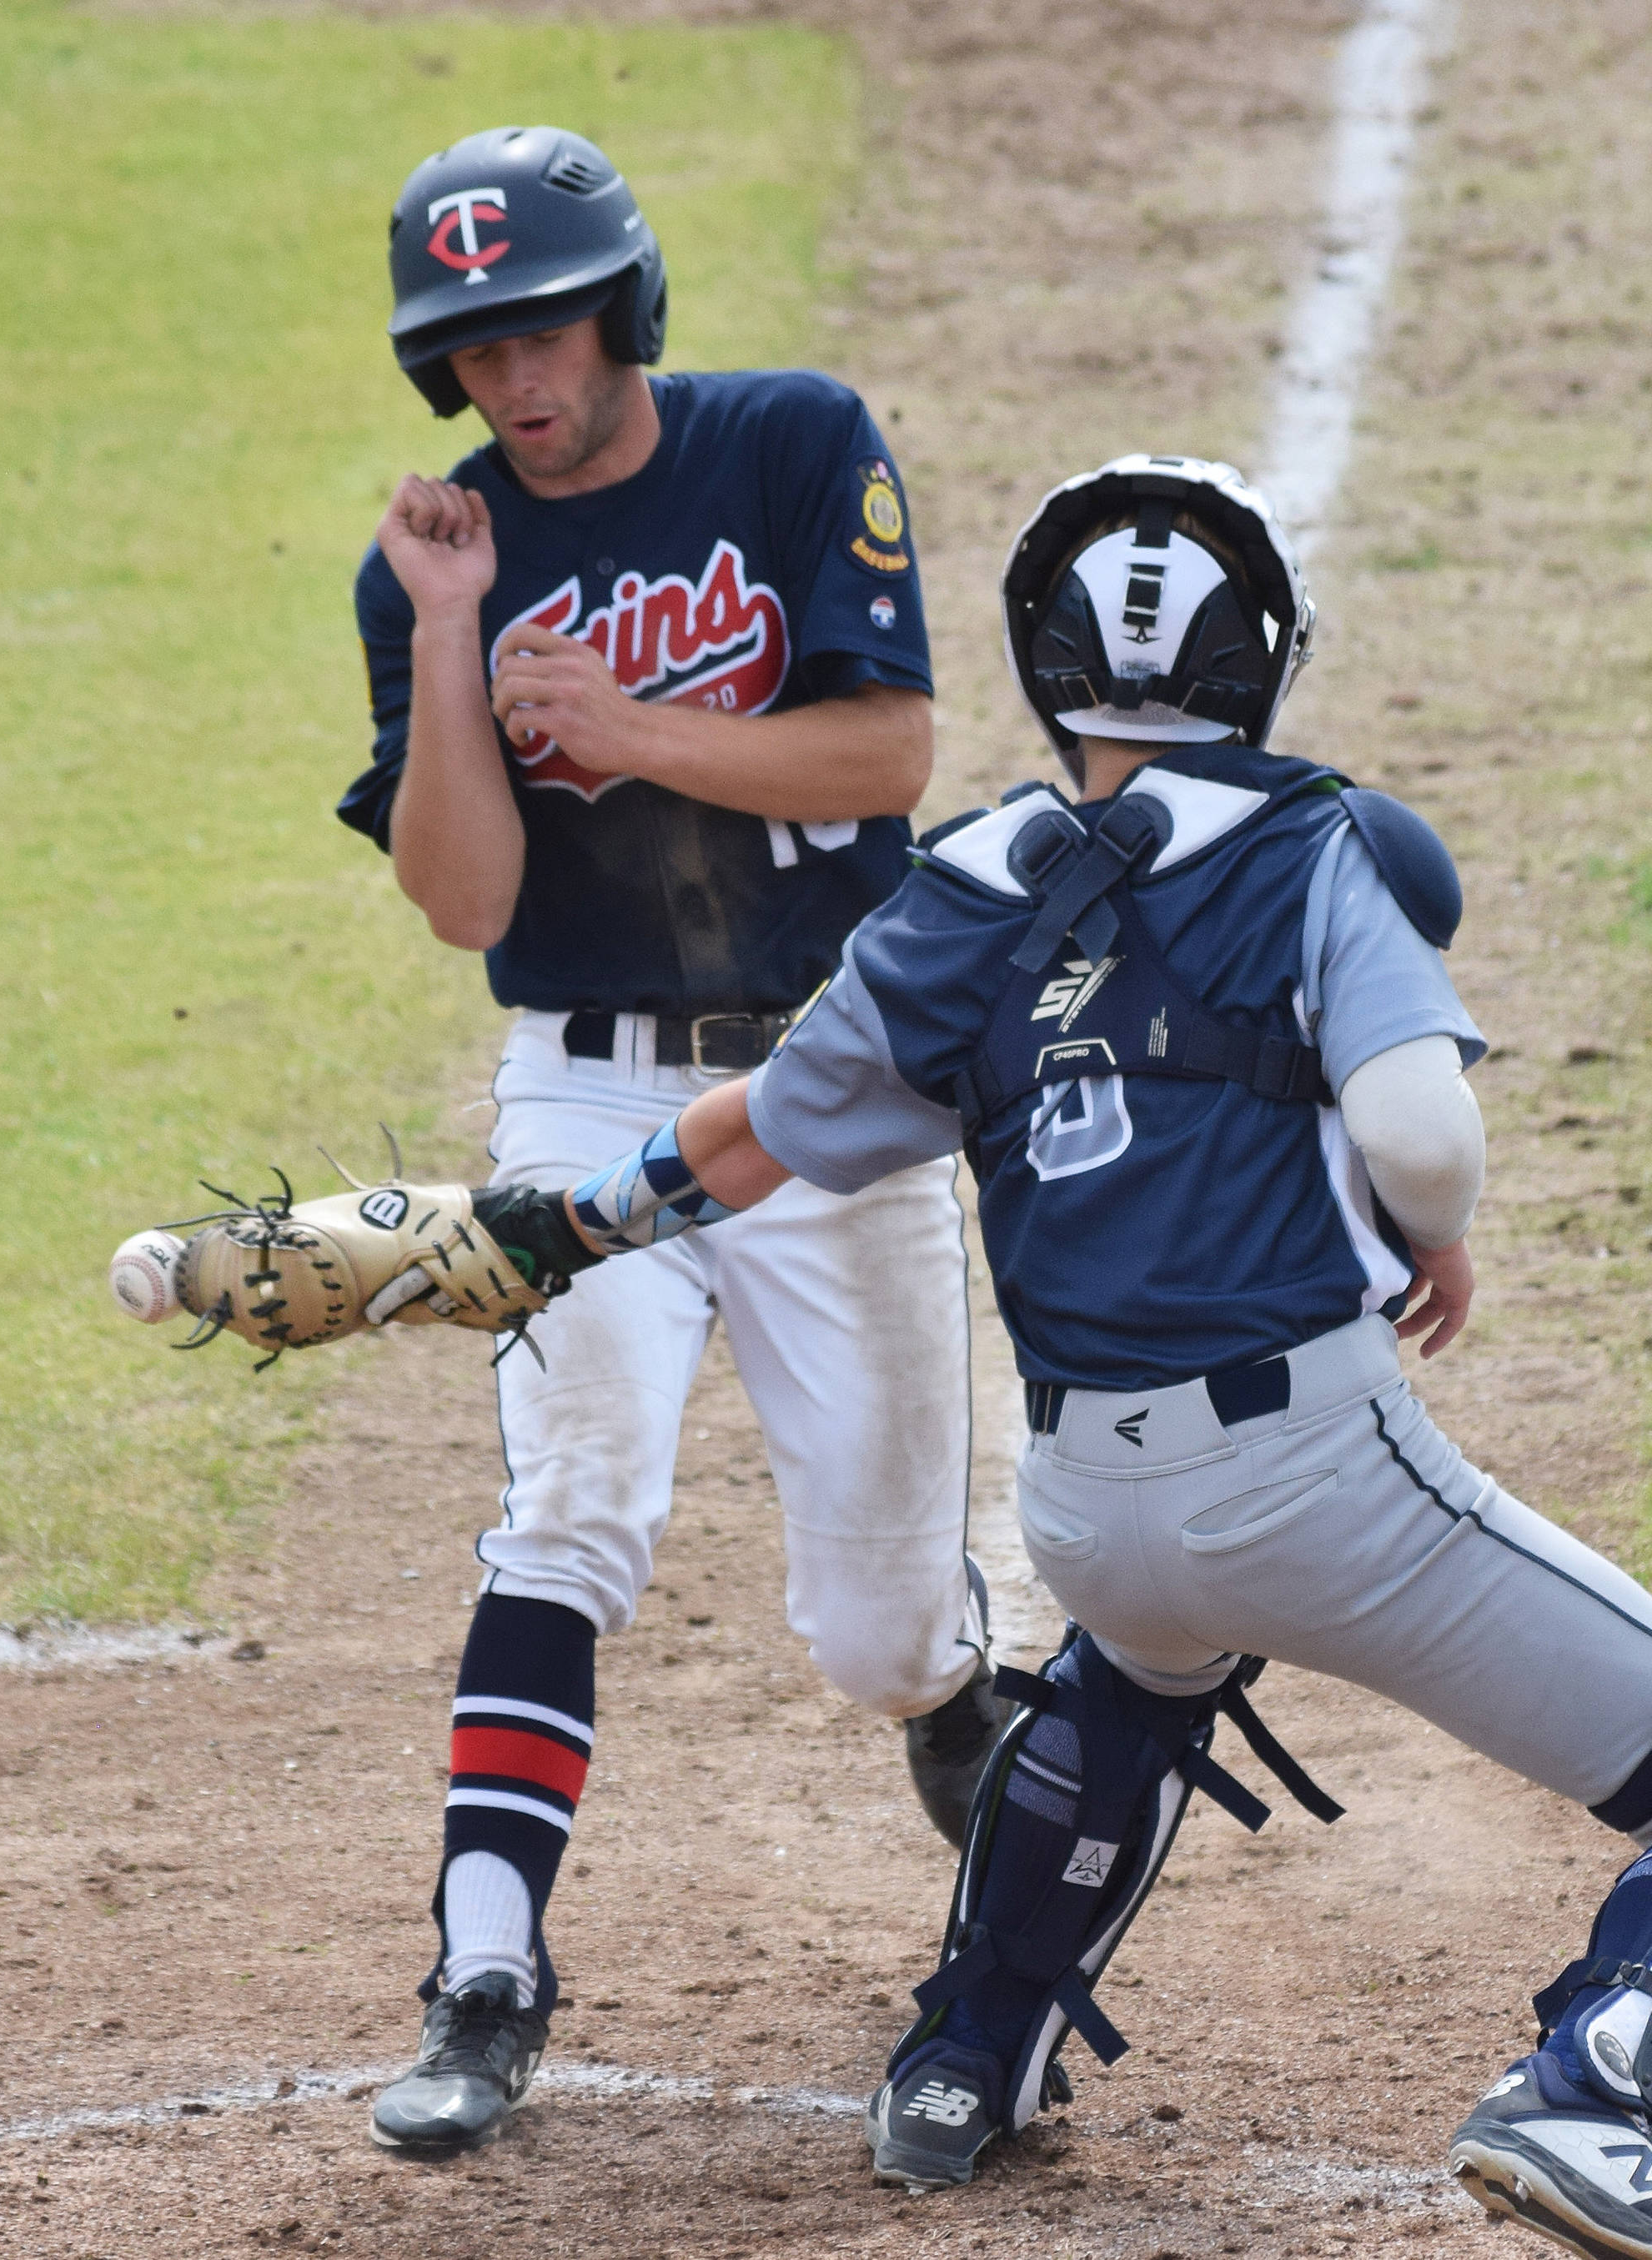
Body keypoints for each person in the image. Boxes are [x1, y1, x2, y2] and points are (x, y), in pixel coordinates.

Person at [454, 454, 1652, 2256]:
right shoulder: (1322, 836)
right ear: (1266, 652)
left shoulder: (966, 887)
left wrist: (564, 1223)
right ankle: (1597, 2091)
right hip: (1318, 1482)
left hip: (1090, 1503)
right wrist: (1434, 1224)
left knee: (1131, 1673)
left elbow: (759, 1127)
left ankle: (969, 2049)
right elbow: (1421, 1140)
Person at [337, 125, 1004, 2157]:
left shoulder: (793, 443)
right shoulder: (424, 558)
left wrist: (623, 727)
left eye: (541, 327)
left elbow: (885, 752)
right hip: (582, 1082)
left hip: (827, 1083)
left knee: (880, 1630)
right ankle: (483, 1968)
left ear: (619, 307)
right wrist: (454, 635)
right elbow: (462, 900)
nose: (515, 380)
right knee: (573, 1496)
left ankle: (968, 1735)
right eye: (471, 349)